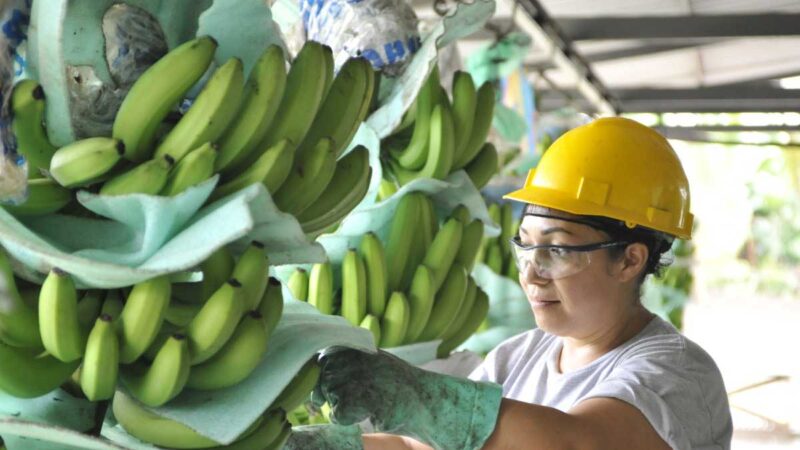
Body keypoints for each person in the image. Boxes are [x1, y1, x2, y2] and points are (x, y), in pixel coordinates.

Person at [285, 117, 733, 450]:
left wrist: (420, 399)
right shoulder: (518, 356)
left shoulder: (676, 374)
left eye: (557, 250)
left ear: (630, 260)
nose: (531, 274)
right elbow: (419, 446)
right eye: (526, 247)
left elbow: (576, 443)